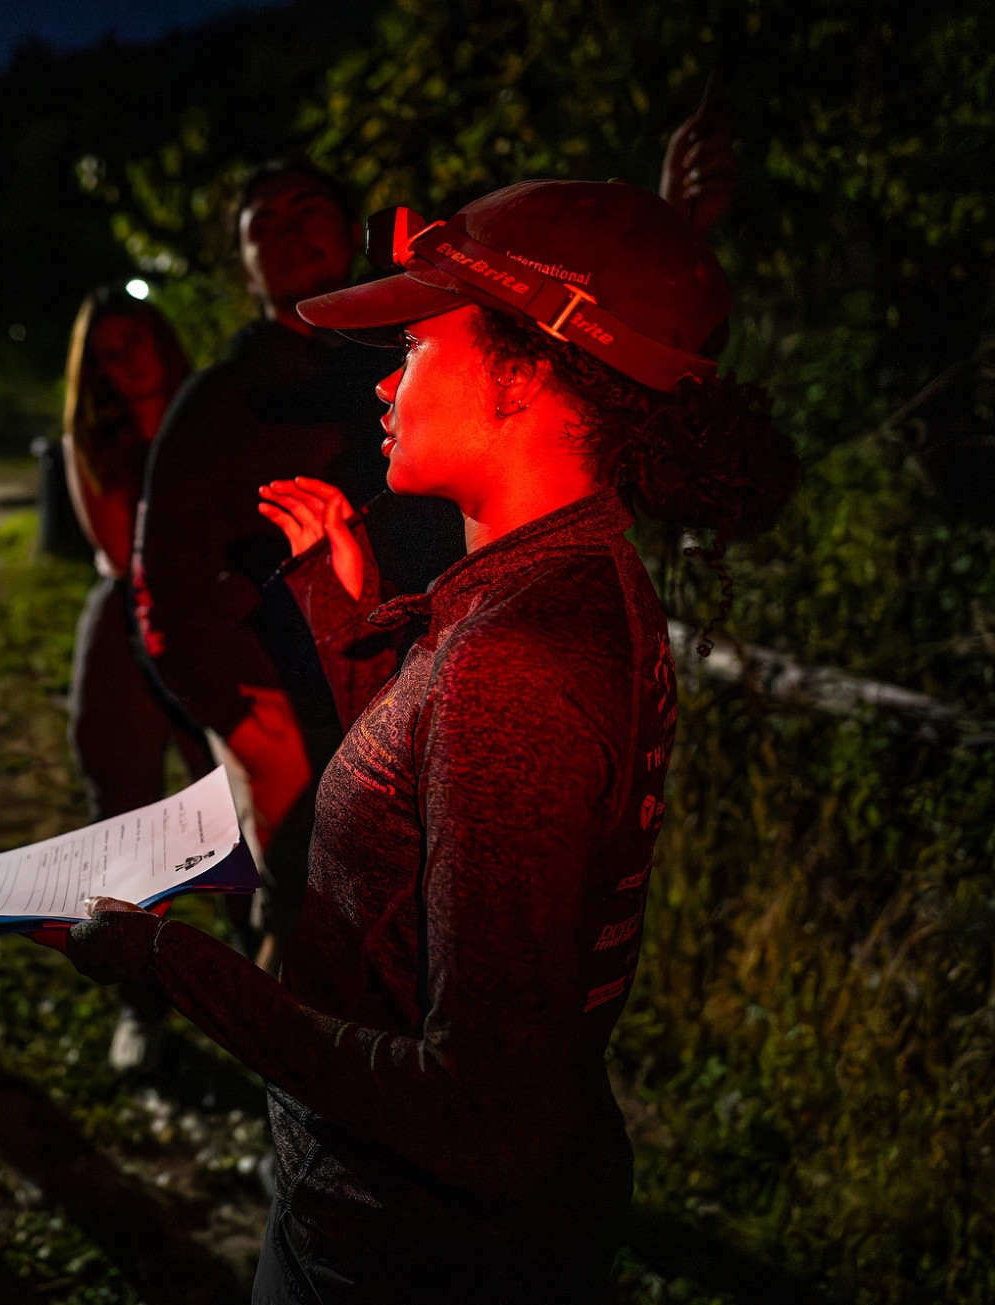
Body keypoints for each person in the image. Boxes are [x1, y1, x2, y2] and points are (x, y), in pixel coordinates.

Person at [49, 179, 799, 1300]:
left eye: (411, 346)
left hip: (406, 1256)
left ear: (530, 370)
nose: (385, 382)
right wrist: (345, 617)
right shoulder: (553, 584)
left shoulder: (517, 658)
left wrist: (162, 959)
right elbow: (433, 816)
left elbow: (482, 1113)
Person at [131, 165, 465, 969]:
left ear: (347, 227)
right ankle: (284, 1074)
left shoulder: (413, 355)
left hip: (423, 684)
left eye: (307, 210)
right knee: (304, 907)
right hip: (295, 696)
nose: (286, 230)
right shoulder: (222, 401)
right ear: (244, 262)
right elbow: (163, 584)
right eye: (262, 221)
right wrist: (248, 723)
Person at [59, 287, 212, 1071]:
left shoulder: (215, 408)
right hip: (135, 617)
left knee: (242, 811)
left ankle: (268, 989)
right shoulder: (92, 436)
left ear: (161, 336)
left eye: (135, 340)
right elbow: (125, 555)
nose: (125, 361)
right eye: (107, 352)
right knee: (123, 816)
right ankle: (140, 1002)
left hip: (215, 614)